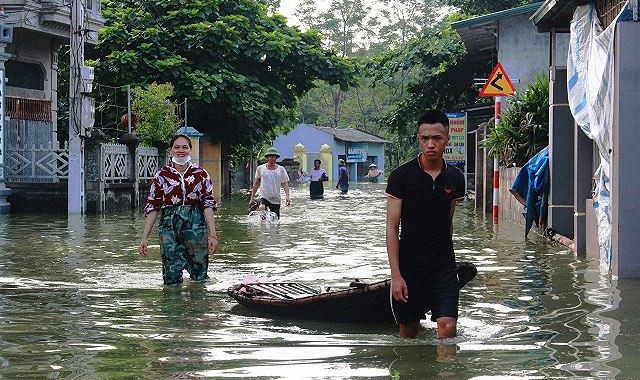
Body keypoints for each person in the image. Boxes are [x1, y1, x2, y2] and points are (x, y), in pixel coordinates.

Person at [385, 109, 465, 338]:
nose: (431, 144)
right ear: (419, 139)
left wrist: (444, 256)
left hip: (444, 264)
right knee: (408, 331)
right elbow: (392, 227)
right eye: (425, 138)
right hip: (410, 264)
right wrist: (396, 275)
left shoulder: (455, 178)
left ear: (447, 139)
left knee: (448, 328)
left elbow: (448, 221)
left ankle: (445, 373)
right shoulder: (401, 176)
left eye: (437, 138)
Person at [139, 134, 218, 285]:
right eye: (177, 147)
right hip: (169, 229)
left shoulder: (201, 175)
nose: (180, 150)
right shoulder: (161, 176)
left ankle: (198, 307)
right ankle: (172, 307)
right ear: (171, 150)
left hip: (196, 228)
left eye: (184, 147)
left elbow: (208, 205)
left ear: (190, 150)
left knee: (199, 275)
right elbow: (153, 207)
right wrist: (145, 238)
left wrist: (212, 235)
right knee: (171, 276)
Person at [249, 147, 291, 219]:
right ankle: (263, 224)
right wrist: (252, 198)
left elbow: (285, 183)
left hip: (275, 197)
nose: (271, 158)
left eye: (273, 156)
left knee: (276, 220)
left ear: (276, 157)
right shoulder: (260, 168)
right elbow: (256, 183)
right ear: (267, 157)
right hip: (264, 195)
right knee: (262, 207)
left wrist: (287, 196)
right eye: (270, 156)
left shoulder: (281, 170)